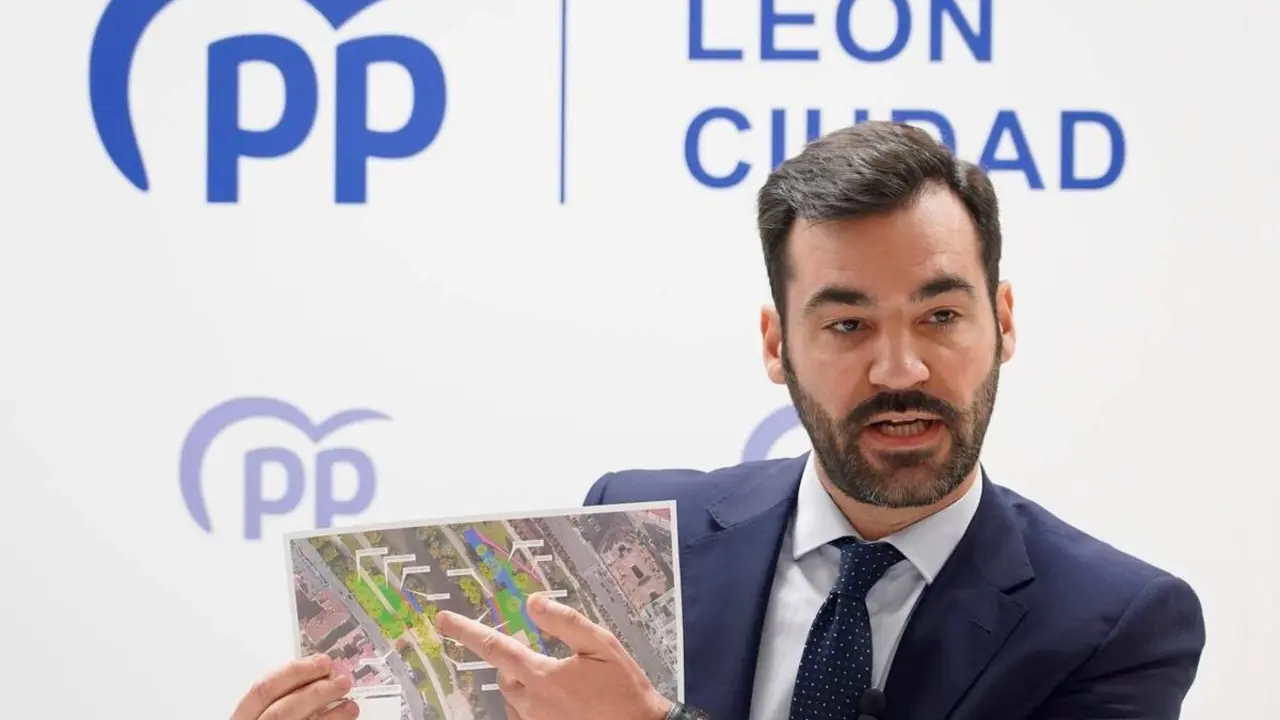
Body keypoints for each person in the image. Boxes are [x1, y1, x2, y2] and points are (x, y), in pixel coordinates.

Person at [229, 122, 1205, 720]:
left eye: (940, 317)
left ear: (1000, 323)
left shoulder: (1113, 625)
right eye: (846, 322)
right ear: (776, 344)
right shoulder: (630, 531)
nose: (898, 367)